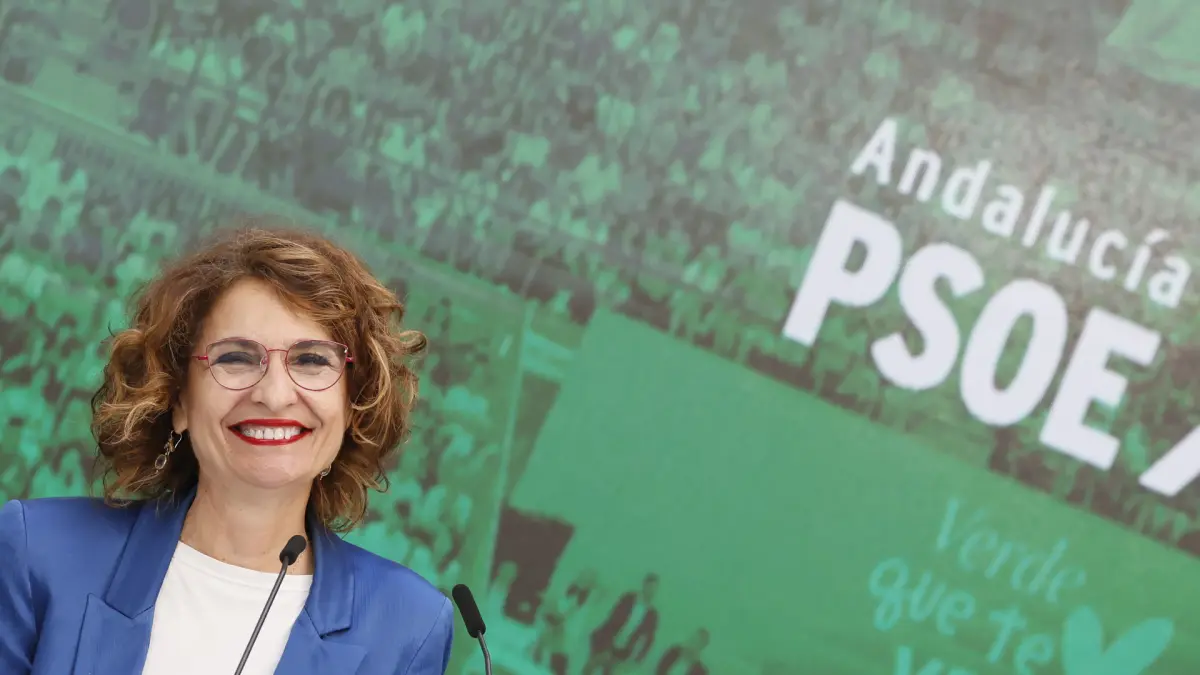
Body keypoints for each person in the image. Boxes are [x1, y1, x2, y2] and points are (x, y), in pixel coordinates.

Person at [0, 221, 454, 674]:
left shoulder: (408, 626)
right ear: (177, 397)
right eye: (236, 357)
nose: (274, 395)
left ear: (354, 404)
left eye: (312, 360)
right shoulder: (37, 550)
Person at [583, 573, 660, 675]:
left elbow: (649, 639)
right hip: (605, 640)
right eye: (650, 587)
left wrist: (638, 659)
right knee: (591, 666)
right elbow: (613, 619)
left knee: (609, 671)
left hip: (622, 650)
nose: (651, 591)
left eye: (654, 588)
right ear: (644, 585)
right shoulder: (628, 598)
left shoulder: (652, 615)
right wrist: (607, 647)